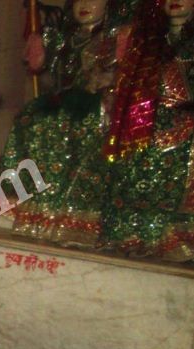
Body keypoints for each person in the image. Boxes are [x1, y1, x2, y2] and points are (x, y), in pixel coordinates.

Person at [1, 0, 135, 247]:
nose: (84, 5)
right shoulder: (63, 38)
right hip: (64, 102)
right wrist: (40, 49)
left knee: (74, 125)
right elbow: (46, 74)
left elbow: (119, 79)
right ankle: (37, 203)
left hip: (97, 105)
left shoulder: (115, 39)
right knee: (31, 118)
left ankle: (78, 214)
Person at [101, 0, 194, 260]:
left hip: (186, 118)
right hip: (146, 117)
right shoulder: (147, 41)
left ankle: (175, 235)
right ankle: (133, 231)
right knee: (130, 147)